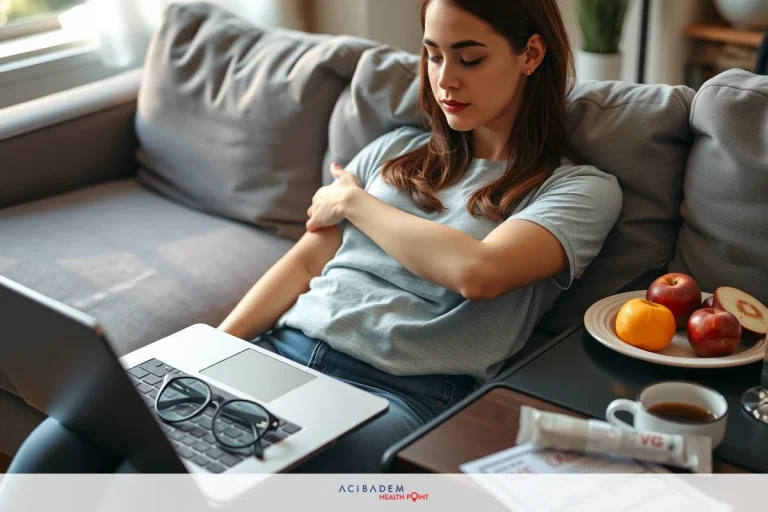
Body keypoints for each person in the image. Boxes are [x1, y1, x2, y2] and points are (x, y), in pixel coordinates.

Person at [6, 0, 622, 475]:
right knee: (67, 438)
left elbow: (479, 273)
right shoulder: (393, 152)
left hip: (400, 394)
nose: (444, 78)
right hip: (282, 352)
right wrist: (208, 352)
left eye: (470, 56)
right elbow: (305, 263)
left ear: (531, 54)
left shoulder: (579, 190)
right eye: (433, 54)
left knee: (192, 485)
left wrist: (353, 200)